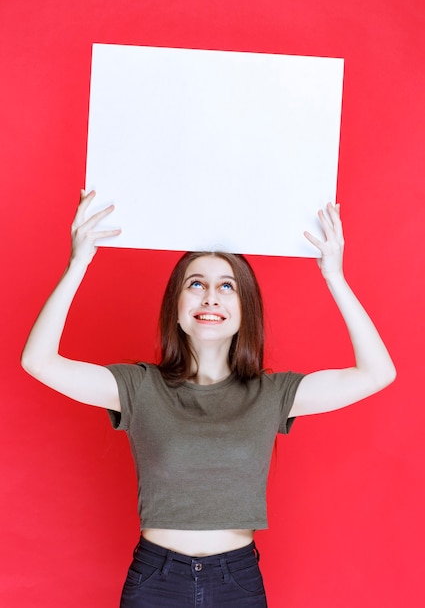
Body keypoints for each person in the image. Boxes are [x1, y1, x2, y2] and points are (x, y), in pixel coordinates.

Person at [21, 189, 396, 607]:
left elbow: (377, 373)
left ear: (243, 308)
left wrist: (335, 277)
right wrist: (78, 263)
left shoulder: (271, 394)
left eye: (227, 286)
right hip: (156, 582)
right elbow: (39, 361)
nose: (211, 297)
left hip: (237, 582)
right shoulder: (140, 388)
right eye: (196, 284)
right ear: (177, 309)